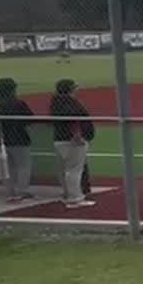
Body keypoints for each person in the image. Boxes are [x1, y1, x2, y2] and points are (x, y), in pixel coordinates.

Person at [47, 79, 96, 209]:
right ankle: (75, 198)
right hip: (72, 140)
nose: (76, 89)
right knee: (74, 170)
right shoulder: (68, 102)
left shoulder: (56, 102)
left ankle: (71, 195)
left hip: (61, 139)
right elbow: (73, 119)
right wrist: (77, 134)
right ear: (70, 89)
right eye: (74, 87)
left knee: (69, 170)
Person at [0, 78, 34, 202]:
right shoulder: (18, 103)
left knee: (6, 167)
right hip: (19, 138)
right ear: (12, 89)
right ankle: (21, 191)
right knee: (23, 165)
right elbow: (29, 119)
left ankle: (10, 192)